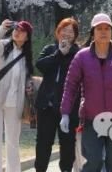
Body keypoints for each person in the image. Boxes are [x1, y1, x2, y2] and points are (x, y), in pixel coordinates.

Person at [60, 13, 112, 172]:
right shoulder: (81, 57)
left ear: (111, 32)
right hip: (91, 118)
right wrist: (65, 113)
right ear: (92, 32)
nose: (103, 32)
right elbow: (70, 86)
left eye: (107, 28)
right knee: (93, 161)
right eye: (99, 28)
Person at [0, 19, 34, 172]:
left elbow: (26, 78)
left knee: (13, 142)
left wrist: (29, 86)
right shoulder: (1, 46)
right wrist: (1, 29)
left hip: (15, 104)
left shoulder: (26, 56)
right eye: (16, 29)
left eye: (22, 31)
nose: (17, 32)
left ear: (27, 37)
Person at [34, 18, 80, 172]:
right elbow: (40, 66)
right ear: (58, 32)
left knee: (67, 143)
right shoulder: (49, 49)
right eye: (64, 30)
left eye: (71, 31)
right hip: (47, 105)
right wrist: (59, 53)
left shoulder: (78, 54)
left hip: (69, 107)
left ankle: (66, 169)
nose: (67, 34)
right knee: (43, 142)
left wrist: (68, 52)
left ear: (75, 35)